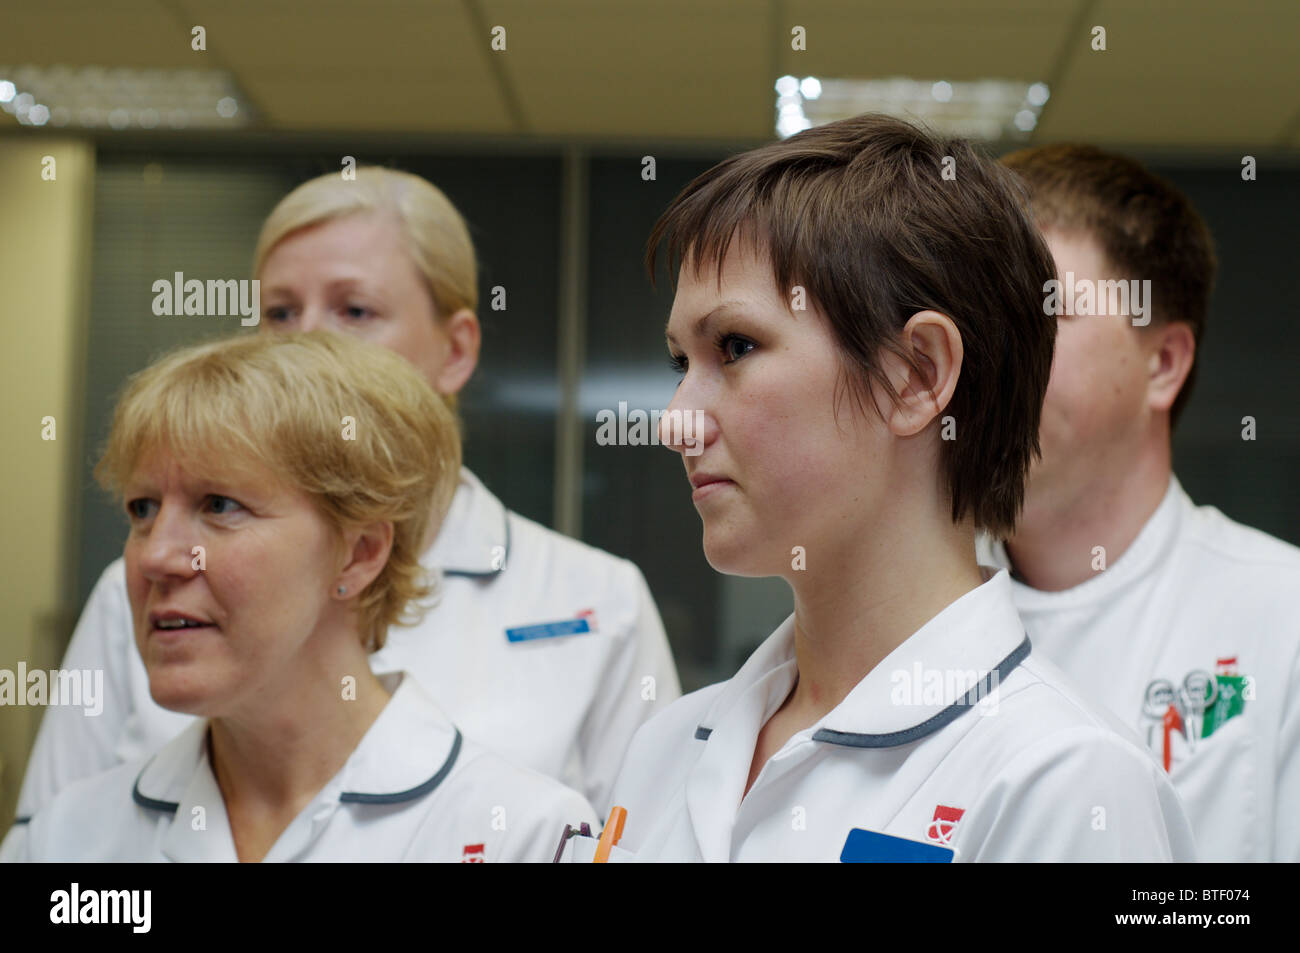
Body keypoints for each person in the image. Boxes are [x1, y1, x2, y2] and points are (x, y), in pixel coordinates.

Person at [569, 114, 1196, 862]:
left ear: (916, 375)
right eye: (681, 362)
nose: (676, 424)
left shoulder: (1060, 777)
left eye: (735, 347)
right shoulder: (666, 749)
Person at [12, 168, 679, 826]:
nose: (306, 341)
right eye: (279, 312)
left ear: (457, 348)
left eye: (354, 310)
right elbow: (58, 837)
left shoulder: (599, 603)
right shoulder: (151, 588)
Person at [1, 332, 596, 862]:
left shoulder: (525, 839)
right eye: (143, 509)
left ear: (360, 553)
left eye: (219, 506)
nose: (156, 556)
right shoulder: (67, 841)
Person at [976, 143, 1300, 862]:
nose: (994, 361)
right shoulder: (910, 621)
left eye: (1041, 316)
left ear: (1163, 363)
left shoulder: (1283, 617)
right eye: (981, 320)